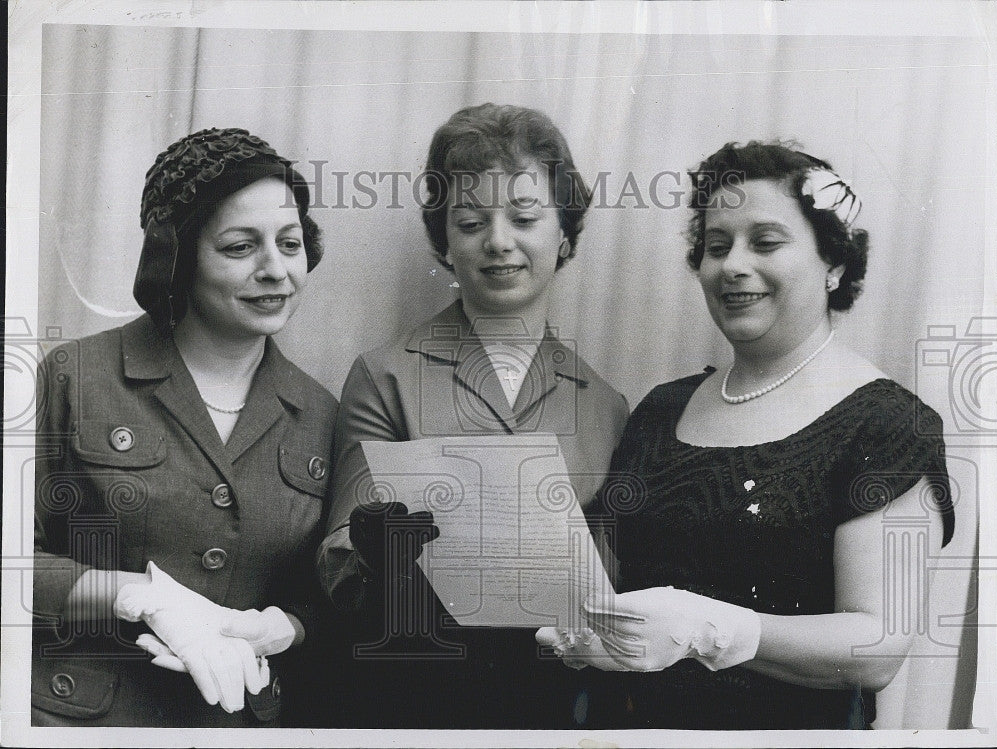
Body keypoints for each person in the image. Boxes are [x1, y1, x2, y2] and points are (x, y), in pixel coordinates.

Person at [538, 141, 955, 729]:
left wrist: (709, 629)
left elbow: (877, 647)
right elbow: (611, 577)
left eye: (765, 242)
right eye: (716, 246)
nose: (732, 265)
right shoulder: (662, 409)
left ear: (834, 263)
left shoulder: (888, 424)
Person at [316, 103, 629, 728]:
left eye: (524, 217)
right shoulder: (386, 375)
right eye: (470, 221)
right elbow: (340, 563)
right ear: (445, 243)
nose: (498, 241)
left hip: (545, 708)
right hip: (405, 697)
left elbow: (610, 586)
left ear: (564, 234)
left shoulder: (606, 404)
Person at [32, 127, 338, 727]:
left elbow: (330, 596)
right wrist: (136, 597)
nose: (275, 270)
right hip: (81, 722)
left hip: (237, 723)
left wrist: (288, 629)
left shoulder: (322, 412)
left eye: (291, 243)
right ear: (177, 258)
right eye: (239, 247)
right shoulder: (77, 376)